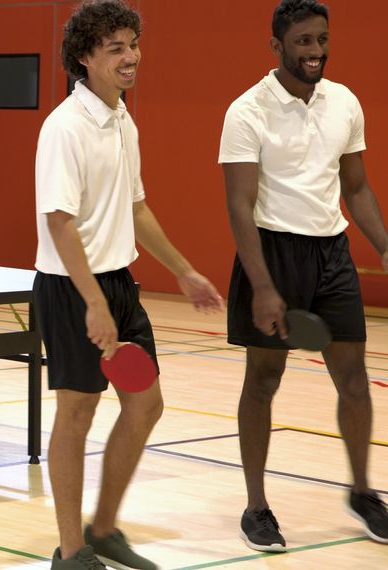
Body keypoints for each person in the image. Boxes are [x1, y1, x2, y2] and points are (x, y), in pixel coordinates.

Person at [34, 1, 225, 567]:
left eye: (133, 44)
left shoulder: (122, 120)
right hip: (72, 289)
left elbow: (136, 208)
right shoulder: (64, 128)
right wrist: (93, 303)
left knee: (146, 406)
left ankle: (103, 529)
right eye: (115, 47)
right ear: (84, 58)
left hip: (118, 282)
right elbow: (60, 223)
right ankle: (71, 552)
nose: (131, 56)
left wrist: (184, 270)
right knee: (77, 413)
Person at [220, 0, 388, 552]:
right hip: (272, 252)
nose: (316, 51)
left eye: (321, 40)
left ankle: (363, 493)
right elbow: (239, 205)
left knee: (354, 380)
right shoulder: (246, 110)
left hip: (332, 253)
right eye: (303, 42)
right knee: (263, 381)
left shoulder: (345, 102)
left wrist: (385, 246)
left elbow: (356, 187)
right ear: (277, 46)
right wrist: (264, 286)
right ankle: (256, 507)